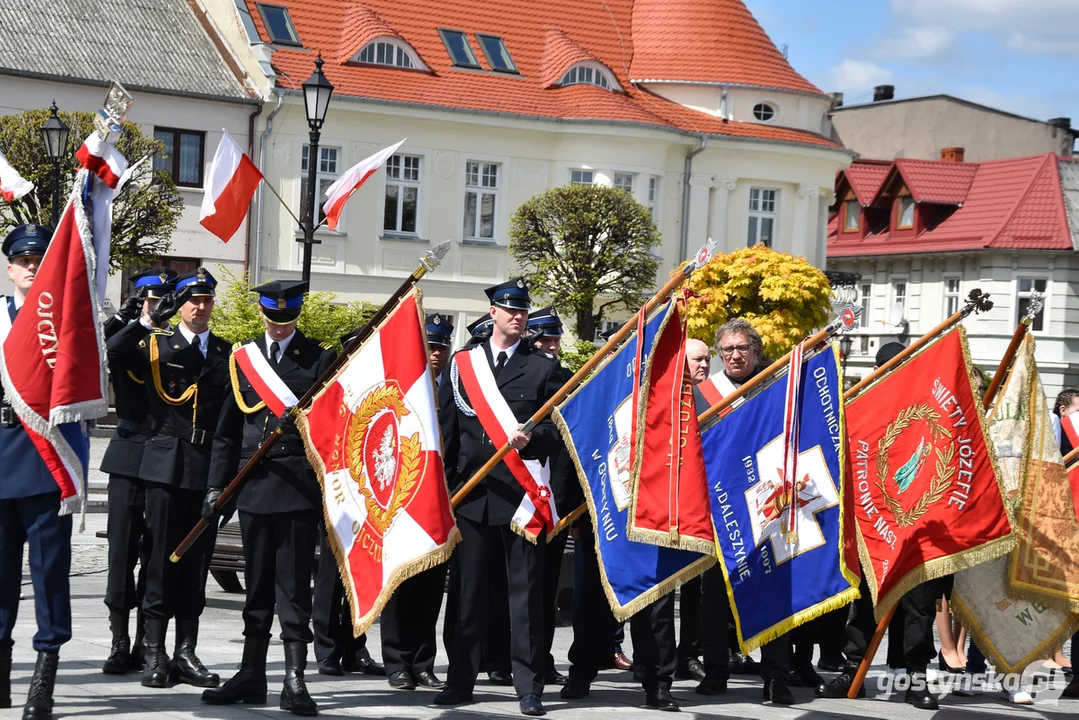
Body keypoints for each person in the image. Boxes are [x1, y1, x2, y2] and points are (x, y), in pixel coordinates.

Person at [200, 281, 335, 716]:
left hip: (296, 487)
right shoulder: (244, 359)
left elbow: (331, 427)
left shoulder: (319, 358)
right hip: (253, 487)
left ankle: (294, 679)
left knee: (293, 587)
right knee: (256, 585)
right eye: (273, 318)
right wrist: (217, 487)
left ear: (297, 313)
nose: (279, 326)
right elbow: (226, 432)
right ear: (261, 313)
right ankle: (250, 674)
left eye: (287, 318)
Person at [434, 278, 562, 716]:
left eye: (522, 311)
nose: (517, 316)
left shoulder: (542, 366)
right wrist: (446, 491)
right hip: (472, 496)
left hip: (521, 497)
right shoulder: (463, 364)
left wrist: (534, 439)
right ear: (492, 314)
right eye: (509, 310)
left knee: (524, 596)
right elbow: (448, 433)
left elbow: (557, 431)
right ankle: (460, 679)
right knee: (468, 594)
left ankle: (529, 684)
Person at [106, 267, 232, 690]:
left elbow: (228, 425)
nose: (200, 307)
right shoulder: (157, 342)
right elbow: (115, 353)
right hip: (162, 464)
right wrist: (148, 320)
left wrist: (223, 480)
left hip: (205, 466)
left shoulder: (225, 352)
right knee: (160, 559)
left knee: (195, 564)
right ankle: (154, 650)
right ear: (180, 305)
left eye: (207, 300)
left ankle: (186, 651)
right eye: (192, 301)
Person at [816, 341, 943, 711]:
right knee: (866, 602)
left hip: (919, 527)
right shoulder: (862, 404)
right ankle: (854, 668)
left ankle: (916, 678)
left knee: (918, 607)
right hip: (875, 523)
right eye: (887, 367)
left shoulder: (926, 404)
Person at [694, 319, 795, 704]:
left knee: (773, 588)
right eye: (728, 350)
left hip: (767, 502)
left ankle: (775, 675)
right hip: (720, 504)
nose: (735, 355)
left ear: (755, 351)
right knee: (716, 595)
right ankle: (716, 670)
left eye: (742, 349)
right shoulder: (703, 395)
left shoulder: (774, 386)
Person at [0, 224, 72, 719]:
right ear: (10, 268)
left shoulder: (68, 325)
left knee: (48, 577)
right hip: (0, 460)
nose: (30, 266)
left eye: (38, 260)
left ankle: (41, 685)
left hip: (46, 464)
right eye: (23, 260)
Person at [100, 268, 177, 675]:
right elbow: (108, 351)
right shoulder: (129, 335)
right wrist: (133, 320)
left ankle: (150, 641)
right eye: (151, 300)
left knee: (156, 552)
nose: (158, 307)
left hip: (164, 450)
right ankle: (118, 640)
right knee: (121, 551)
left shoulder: (174, 342)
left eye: (164, 300)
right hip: (129, 451)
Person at [380, 313, 455, 691]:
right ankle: (395, 661)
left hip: (439, 500)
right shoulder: (398, 383)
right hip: (401, 498)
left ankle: (423, 662)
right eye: (431, 345)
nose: (437, 353)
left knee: (429, 587)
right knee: (399, 583)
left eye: (442, 346)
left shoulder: (454, 388)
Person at [675, 339, 710, 683]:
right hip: (676, 504)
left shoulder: (716, 395)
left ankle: (690, 651)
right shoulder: (670, 399)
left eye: (706, 359)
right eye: (696, 360)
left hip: (709, 505)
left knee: (697, 590)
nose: (703, 365)